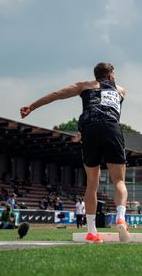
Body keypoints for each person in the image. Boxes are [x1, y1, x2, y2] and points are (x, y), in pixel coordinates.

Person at [21, 62, 130, 243]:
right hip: (112, 129)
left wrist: (31, 106)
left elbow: (57, 95)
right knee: (118, 180)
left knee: (92, 184)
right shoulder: (120, 90)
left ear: (96, 75)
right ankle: (120, 217)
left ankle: (92, 231)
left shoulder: (84, 86)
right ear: (111, 76)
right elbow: (110, 113)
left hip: (90, 131)